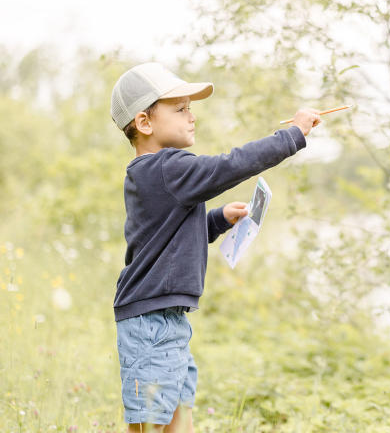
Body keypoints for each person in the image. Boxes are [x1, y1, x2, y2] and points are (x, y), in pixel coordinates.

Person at [109, 62, 320, 431]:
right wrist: (291, 136)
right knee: (149, 425)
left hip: (167, 319)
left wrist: (219, 218)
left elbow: (167, 239)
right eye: (181, 109)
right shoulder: (166, 168)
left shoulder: (156, 174)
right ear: (144, 123)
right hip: (152, 324)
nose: (192, 117)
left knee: (179, 421)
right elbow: (229, 166)